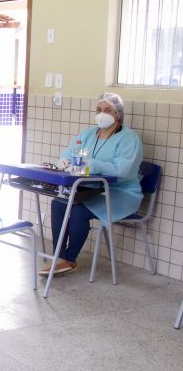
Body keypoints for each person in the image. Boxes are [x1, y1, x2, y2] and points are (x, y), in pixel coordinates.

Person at [41, 92, 143, 276]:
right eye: (99, 109)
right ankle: (59, 256)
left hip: (121, 192)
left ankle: (70, 259)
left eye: (108, 110)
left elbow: (124, 169)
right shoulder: (89, 134)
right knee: (58, 203)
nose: (102, 113)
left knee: (78, 211)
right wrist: (65, 160)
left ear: (118, 113)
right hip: (93, 188)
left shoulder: (129, 138)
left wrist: (91, 164)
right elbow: (70, 151)